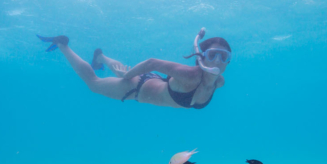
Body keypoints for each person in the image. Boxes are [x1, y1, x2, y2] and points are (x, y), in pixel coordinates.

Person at [36, 28, 230, 109]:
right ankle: (63, 45)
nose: (217, 62)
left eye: (224, 57)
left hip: (152, 81)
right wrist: (128, 76)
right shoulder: (189, 75)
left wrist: (127, 75)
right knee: (93, 84)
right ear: (201, 57)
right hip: (134, 89)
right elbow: (152, 62)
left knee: (124, 74)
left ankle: (100, 56)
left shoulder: (219, 82)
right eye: (213, 55)